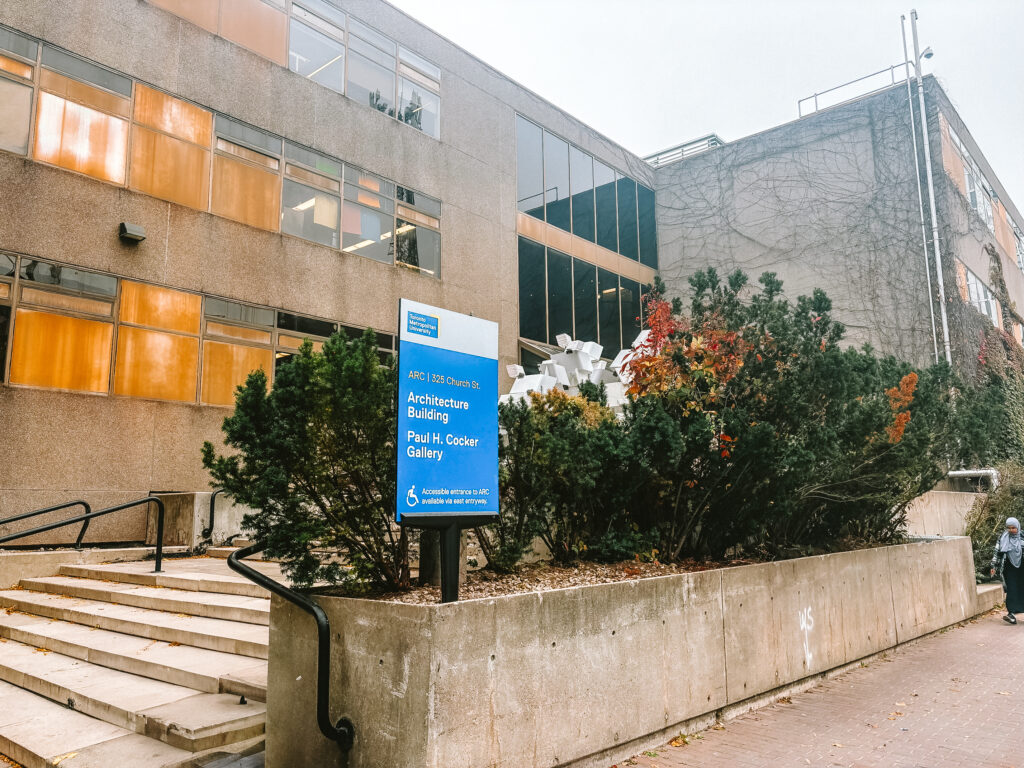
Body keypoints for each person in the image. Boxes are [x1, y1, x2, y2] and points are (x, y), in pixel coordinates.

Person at [991, 516, 1023, 625]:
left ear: (1018, 527)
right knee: (1011, 589)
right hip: (1008, 568)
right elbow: (997, 552)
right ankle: (1011, 614)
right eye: (1009, 528)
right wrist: (994, 566)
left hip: (1022, 567)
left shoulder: (1022, 536)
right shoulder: (1003, 537)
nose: (1011, 530)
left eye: (1013, 527)